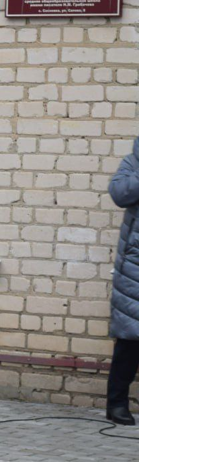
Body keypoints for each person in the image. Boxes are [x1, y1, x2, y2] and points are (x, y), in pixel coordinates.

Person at [106, 138, 138, 425]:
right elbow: (118, 193)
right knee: (131, 338)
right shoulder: (134, 162)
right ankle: (116, 404)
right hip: (138, 265)